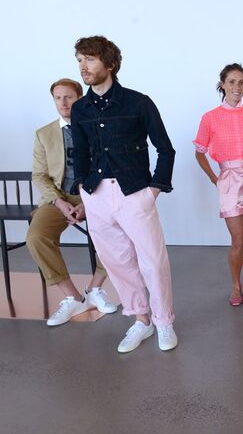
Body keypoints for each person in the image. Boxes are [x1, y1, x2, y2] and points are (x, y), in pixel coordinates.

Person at [70, 36, 178, 353]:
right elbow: (80, 153)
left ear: (110, 63)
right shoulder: (80, 109)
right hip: (96, 194)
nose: (83, 67)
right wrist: (83, 188)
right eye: (79, 60)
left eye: (90, 59)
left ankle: (164, 321)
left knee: (152, 261)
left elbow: (166, 149)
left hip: (134, 192)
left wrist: (154, 190)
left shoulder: (138, 102)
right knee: (118, 262)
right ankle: (141, 320)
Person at [27, 78, 116, 326]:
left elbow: (109, 167)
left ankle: (95, 289)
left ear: (80, 99)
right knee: (36, 237)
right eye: (58, 98)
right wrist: (58, 201)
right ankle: (74, 298)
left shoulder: (98, 128)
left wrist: (87, 203)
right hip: (58, 198)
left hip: (95, 195)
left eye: (69, 97)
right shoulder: (43, 134)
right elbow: (39, 175)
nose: (63, 103)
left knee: (118, 233)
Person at [193, 63, 243, 306]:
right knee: (238, 239)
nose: (237, 87)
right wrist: (214, 178)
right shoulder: (210, 118)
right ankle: (235, 285)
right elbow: (199, 152)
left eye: (241, 82)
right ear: (222, 84)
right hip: (229, 181)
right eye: (232, 82)